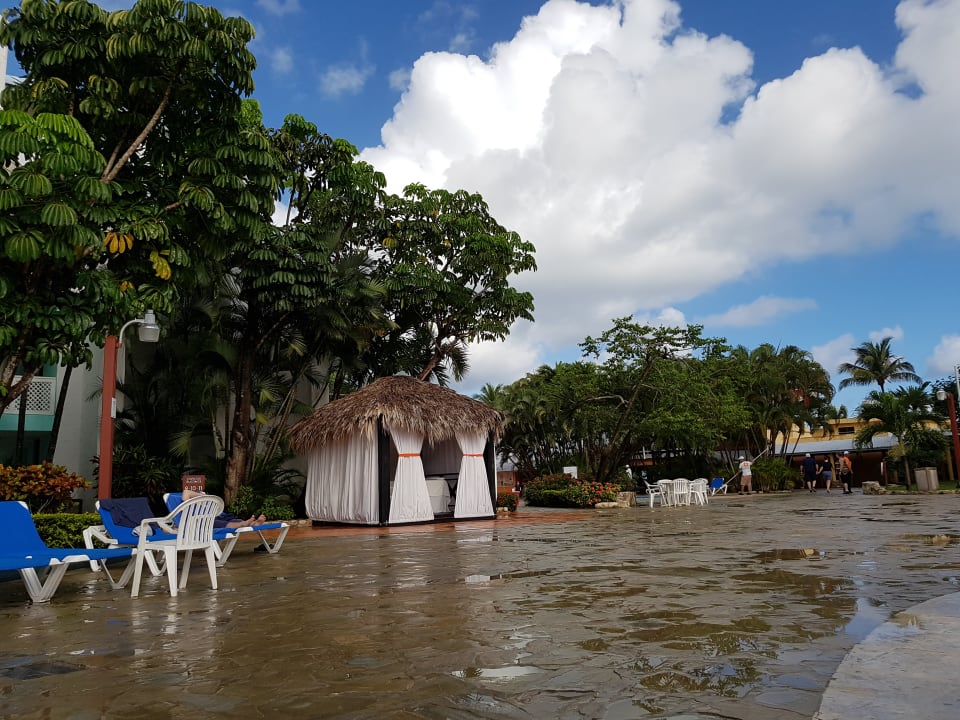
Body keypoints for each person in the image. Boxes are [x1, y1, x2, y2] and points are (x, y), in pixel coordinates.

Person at [182, 489, 268, 527]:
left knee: (232, 520)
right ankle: (244, 524)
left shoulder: (202, 503)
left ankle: (253, 524)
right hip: (202, 521)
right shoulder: (187, 506)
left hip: (215, 516)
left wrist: (202, 497)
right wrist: (202, 496)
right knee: (219, 523)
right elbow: (186, 492)